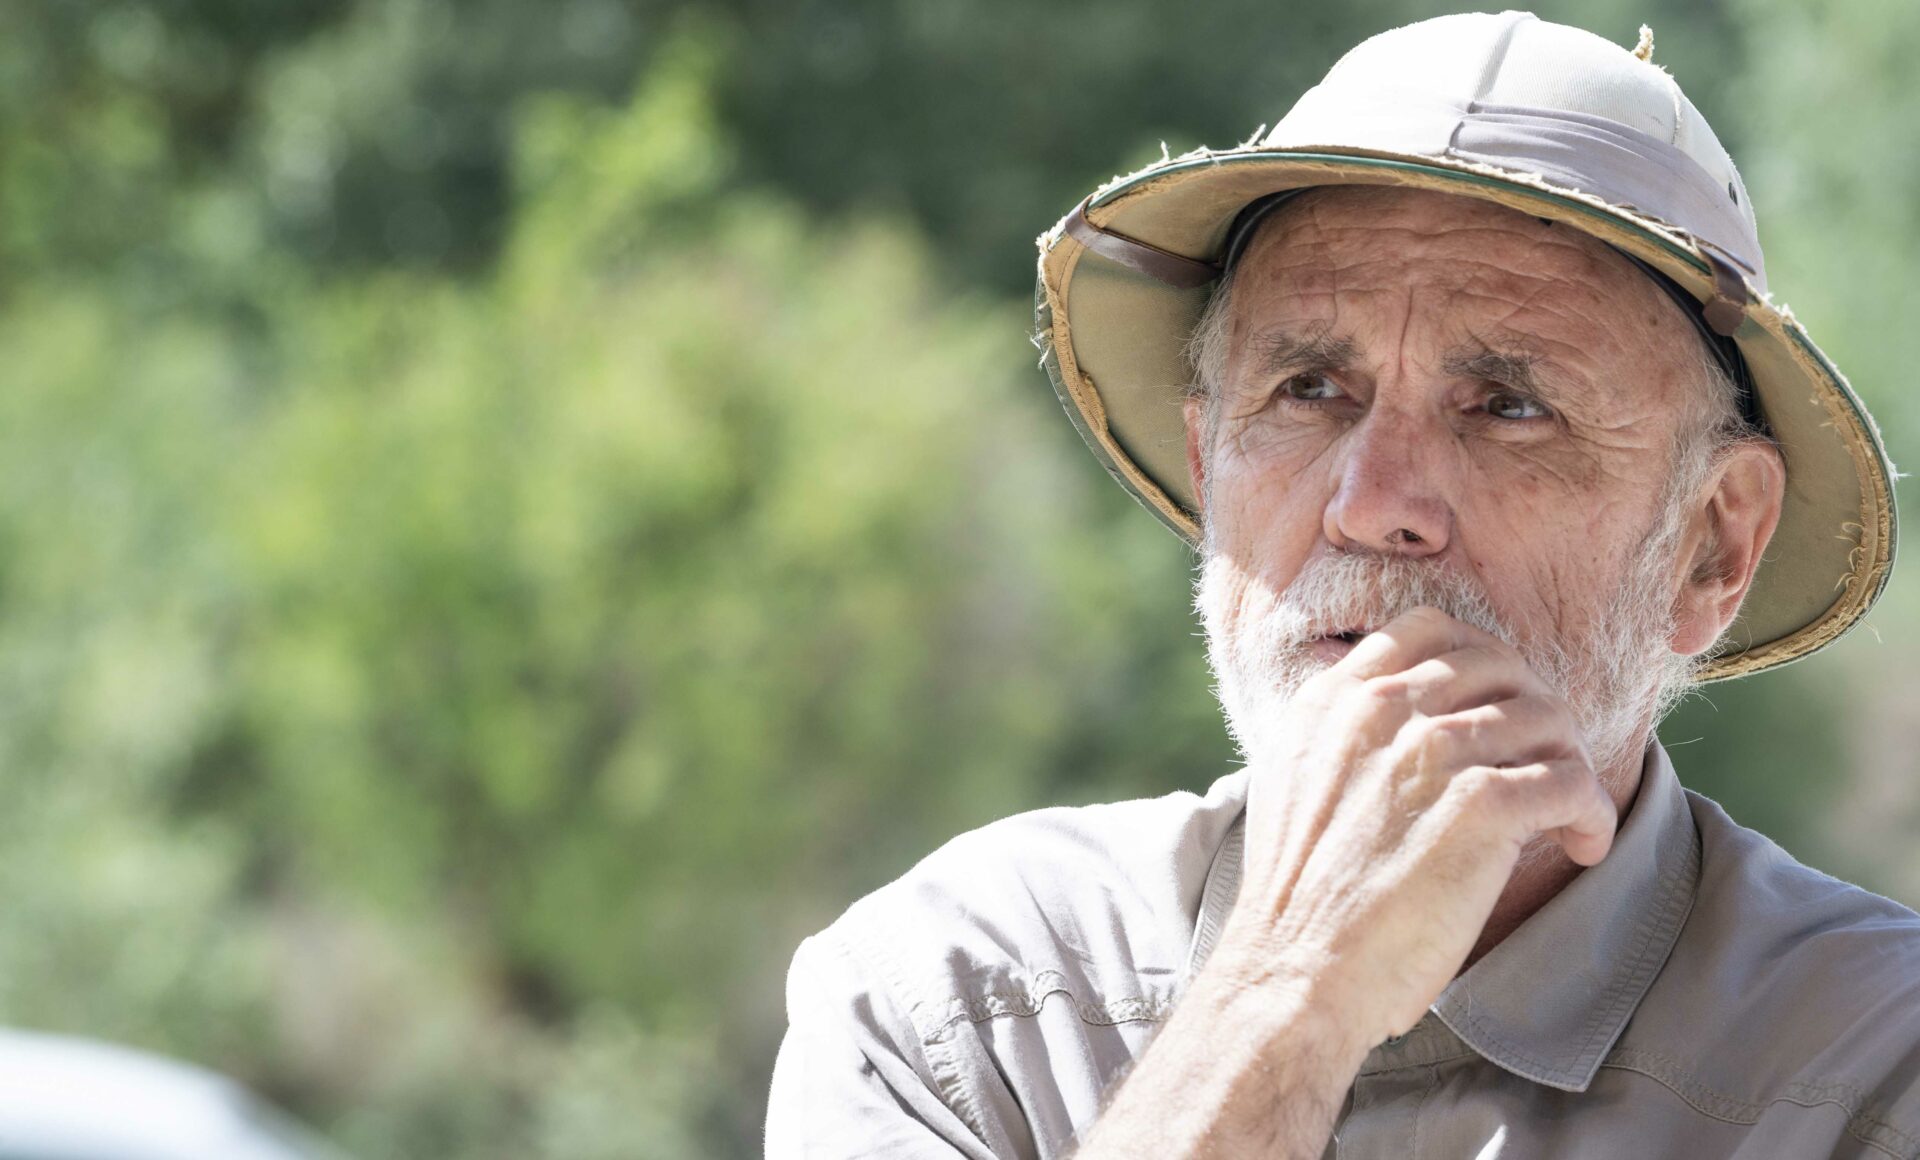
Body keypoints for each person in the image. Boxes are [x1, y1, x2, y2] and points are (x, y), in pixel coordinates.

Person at [765, 12, 1917, 1158]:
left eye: (1510, 406)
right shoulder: (956, 1000)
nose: (1373, 504)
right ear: (1210, 466)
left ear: (1712, 546)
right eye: (1309, 389)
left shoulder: (1878, 1061)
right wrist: (1286, 988)